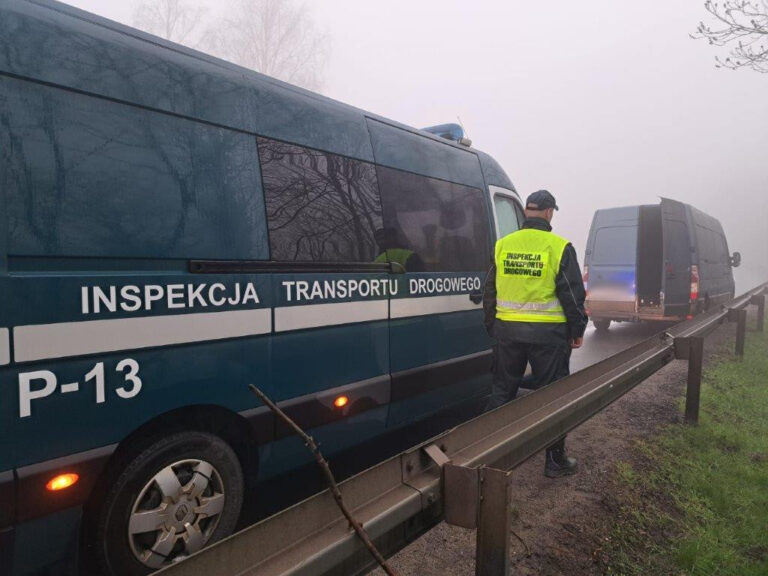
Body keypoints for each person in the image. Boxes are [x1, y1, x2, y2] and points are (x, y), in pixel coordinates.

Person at [482, 190, 588, 478]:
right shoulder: (559, 246)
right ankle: (554, 461)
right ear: (549, 212)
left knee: (502, 392)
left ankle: (487, 457)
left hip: (507, 333)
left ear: (527, 212)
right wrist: (577, 330)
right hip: (548, 336)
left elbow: (489, 290)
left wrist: (493, 325)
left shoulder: (503, 245)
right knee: (552, 396)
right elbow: (572, 294)